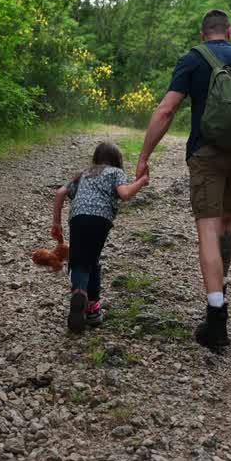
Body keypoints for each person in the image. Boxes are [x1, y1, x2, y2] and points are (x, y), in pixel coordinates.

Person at [134, 9, 231, 351]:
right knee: (227, 223)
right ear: (229, 31)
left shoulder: (193, 60)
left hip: (206, 155)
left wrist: (144, 156)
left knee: (207, 232)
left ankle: (216, 320)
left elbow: (166, 110)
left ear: (202, 34)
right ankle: (221, 284)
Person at [51, 142, 150, 333]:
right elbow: (125, 194)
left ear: (95, 158)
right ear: (117, 160)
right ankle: (93, 309)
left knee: (79, 261)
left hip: (78, 218)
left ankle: (79, 291)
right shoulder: (115, 172)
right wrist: (142, 181)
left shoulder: (84, 174)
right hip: (101, 219)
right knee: (92, 260)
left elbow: (61, 192)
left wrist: (56, 223)